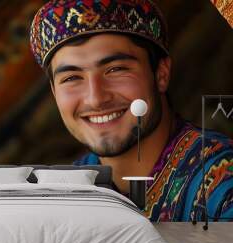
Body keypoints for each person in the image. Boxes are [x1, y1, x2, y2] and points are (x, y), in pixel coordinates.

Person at [29, 0, 233, 222]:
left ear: (161, 74)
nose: (96, 98)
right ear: (54, 91)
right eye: (71, 78)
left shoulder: (222, 184)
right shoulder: (63, 196)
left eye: (116, 70)